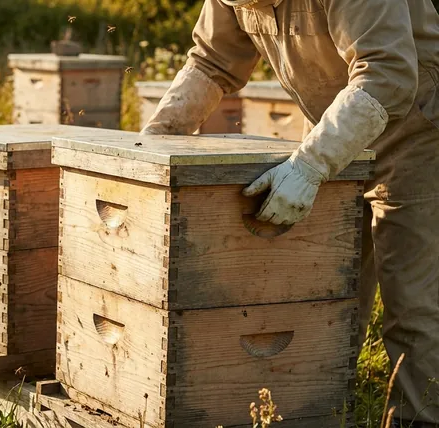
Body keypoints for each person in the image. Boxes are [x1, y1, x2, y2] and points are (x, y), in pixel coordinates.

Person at [140, 0, 439, 426]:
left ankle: (420, 417)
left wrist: (312, 165)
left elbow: (387, 72)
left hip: (417, 127)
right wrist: (154, 142)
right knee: (324, 287)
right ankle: (322, 405)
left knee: (412, 298)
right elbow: (211, 59)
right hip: (331, 126)